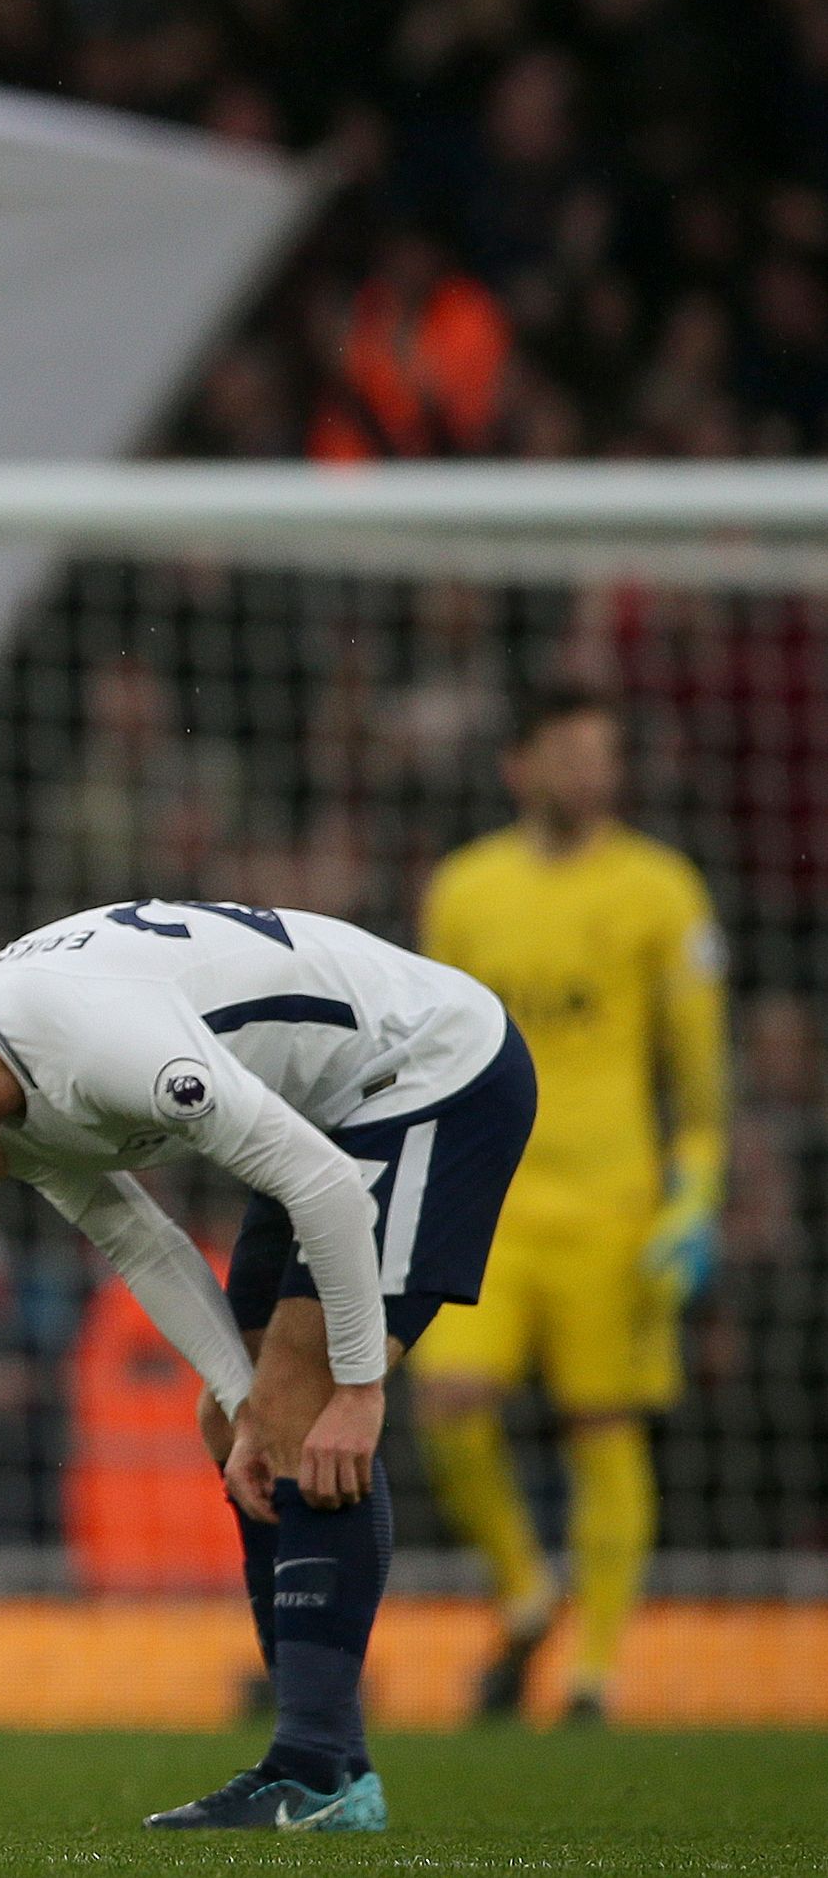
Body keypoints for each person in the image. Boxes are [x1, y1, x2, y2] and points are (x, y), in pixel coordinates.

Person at [0, 896, 538, 1833]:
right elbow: (137, 1238)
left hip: (430, 1071)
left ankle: (313, 1769)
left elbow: (326, 1185)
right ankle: (336, 1771)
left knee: (300, 1405)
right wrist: (234, 1391)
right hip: (329, 1111)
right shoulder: (1, 1087)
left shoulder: (100, 1046)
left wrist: (361, 1385)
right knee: (247, 1421)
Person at [411, 684, 725, 1725]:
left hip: (612, 1203)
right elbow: (435, 1050)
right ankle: (525, 1585)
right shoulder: (464, 888)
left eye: (603, 752)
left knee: (602, 1423)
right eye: (567, 752)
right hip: (491, 1199)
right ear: (519, 765)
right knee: (447, 1403)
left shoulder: (661, 890)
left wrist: (698, 1189)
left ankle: (592, 1671)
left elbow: (696, 1064)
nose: (588, 772)